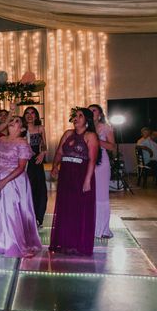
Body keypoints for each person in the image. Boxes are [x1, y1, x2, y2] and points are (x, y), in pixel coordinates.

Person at [0, 116, 41, 257]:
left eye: (16, 121)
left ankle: (15, 244)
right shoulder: (1, 140)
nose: (12, 122)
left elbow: (21, 167)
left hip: (14, 180)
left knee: (12, 213)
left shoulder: (22, 143)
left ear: (22, 129)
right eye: (12, 119)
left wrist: (5, 181)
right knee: (0, 212)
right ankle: (0, 241)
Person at [50, 108, 100, 256]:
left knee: (79, 209)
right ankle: (65, 242)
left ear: (87, 120)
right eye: (75, 116)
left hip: (81, 174)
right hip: (66, 174)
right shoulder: (67, 133)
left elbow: (92, 160)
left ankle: (78, 244)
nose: (76, 118)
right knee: (66, 208)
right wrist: (55, 166)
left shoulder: (91, 136)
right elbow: (59, 152)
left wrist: (87, 180)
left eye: (80, 116)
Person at [89, 104, 115, 238]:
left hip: (101, 163)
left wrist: (97, 141)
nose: (91, 113)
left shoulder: (105, 128)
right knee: (88, 195)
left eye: (94, 110)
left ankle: (102, 229)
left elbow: (112, 147)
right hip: (87, 162)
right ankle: (89, 226)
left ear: (100, 114)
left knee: (101, 195)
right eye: (89, 111)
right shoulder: (85, 128)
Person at [23, 106, 48, 227]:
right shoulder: (21, 129)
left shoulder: (40, 128)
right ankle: (28, 217)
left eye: (32, 113)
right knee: (28, 189)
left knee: (40, 189)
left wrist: (42, 153)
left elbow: (44, 145)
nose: (30, 115)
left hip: (37, 161)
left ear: (36, 116)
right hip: (24, 161)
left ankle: (39, 218)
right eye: (27, 113)